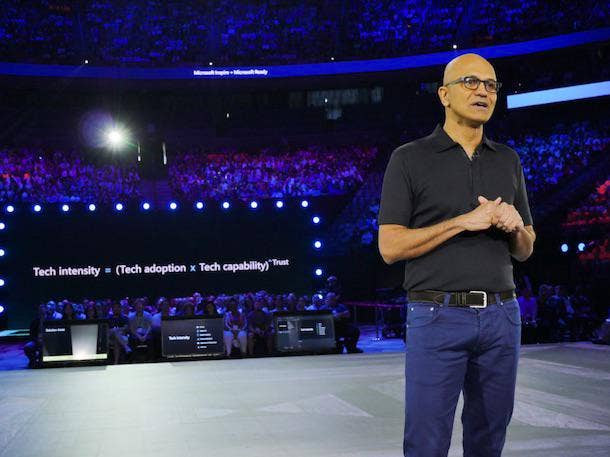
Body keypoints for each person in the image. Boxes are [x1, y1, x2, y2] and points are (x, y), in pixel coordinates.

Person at [378, 53, 536, 457]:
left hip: (502, 317)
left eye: (491, 85)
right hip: (436, 317)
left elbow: (526, 250)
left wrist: (516, 226)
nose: (483, 91)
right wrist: (462, 222)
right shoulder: (409, 158)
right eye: (471, 82)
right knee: (426, 443)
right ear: (444, 95)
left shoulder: (508, 159)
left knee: (489, 441)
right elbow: (390, 247)